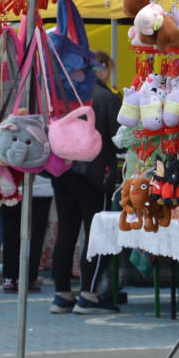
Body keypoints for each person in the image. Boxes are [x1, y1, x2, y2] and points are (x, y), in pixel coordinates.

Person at [49, 64, 124, 315]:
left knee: (67, 233)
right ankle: (88, 295)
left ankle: (62, 295)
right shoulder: (106, 98)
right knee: (95, 235)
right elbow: (119, 139)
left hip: (62, 171)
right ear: (98, 72)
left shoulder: (61, 94)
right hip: (94, 174)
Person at [0, 175, 52, 293]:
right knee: (35, 232)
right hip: (39, 181)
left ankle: (10, 278)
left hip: (12, 180)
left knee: (11, 230)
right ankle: (29, 278)